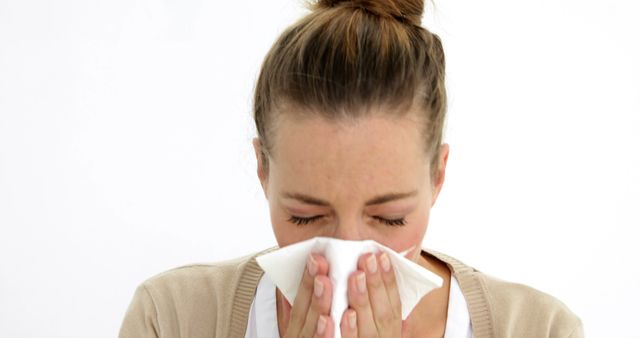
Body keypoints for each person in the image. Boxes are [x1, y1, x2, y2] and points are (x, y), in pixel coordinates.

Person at [118, 0, 584, 337]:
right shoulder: (172, 318)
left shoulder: (539, 329)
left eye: (389, 218)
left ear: (437, 176)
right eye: (305, 216)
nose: (345, 252)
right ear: (263, 170)